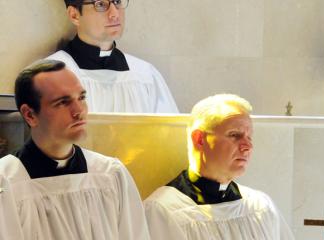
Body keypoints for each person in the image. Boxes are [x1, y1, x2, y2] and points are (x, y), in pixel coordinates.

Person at [0, 59, 150, 240]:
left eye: (81, 97)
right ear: (30, 115)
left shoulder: (110, 174)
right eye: (63, 102)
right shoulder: (6, 182)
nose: (79, 110)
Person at [144, 94, 295, 240]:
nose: (247, 146)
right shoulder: (162, 211)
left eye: (249, 137)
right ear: (199, 139)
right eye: (234, 135)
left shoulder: (260, 207)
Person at [47, 0, 178, 113]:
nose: (115, 14)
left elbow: (171, 137)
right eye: (100, 4)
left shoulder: (145, 75)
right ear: (74, 15)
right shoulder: (50, 76)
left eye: (117, 2)